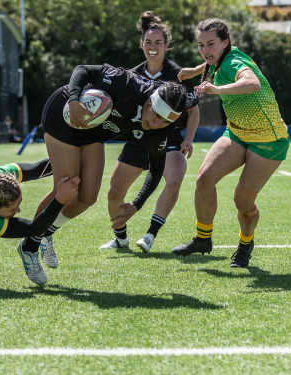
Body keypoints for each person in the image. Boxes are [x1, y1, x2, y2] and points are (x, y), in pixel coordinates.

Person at [17, 63, 194, 284]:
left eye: (165, 121)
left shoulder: (162, 128)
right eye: (156, 116)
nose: (156, 124)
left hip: (93, 129)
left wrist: (136, 204)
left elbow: (156, 170)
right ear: (149, 101)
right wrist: (73, 101)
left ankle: (45, 232)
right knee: (67, 187)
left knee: (88, 196)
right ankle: (30, 245)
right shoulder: (128, 83)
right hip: (64, 113)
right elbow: (82, 70)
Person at [172, 18, 290, 267]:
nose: (206, 50)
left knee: (242, 201)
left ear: (225, 42)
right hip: (237, 132)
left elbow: (252, 83)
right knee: (204, 180)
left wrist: (217, 89)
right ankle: (203, 239)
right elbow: (209, 62)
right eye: (201, 45)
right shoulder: (219, 59)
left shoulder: (236, 62)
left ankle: (246, 244)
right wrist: (195, 71)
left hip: (269, 141)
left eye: (211, 44)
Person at [99, 11, 200, 253]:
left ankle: (150, 235)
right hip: (138, 140)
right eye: (148, 42)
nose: (153, 47)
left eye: (158, 42)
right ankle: (120, 238)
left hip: (169, 141)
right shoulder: (132, 74)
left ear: (166, 45)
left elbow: (194, 111)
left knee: (174, 179)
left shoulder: (180, 75)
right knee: (114, 193)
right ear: (141, 44)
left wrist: (188, 139)